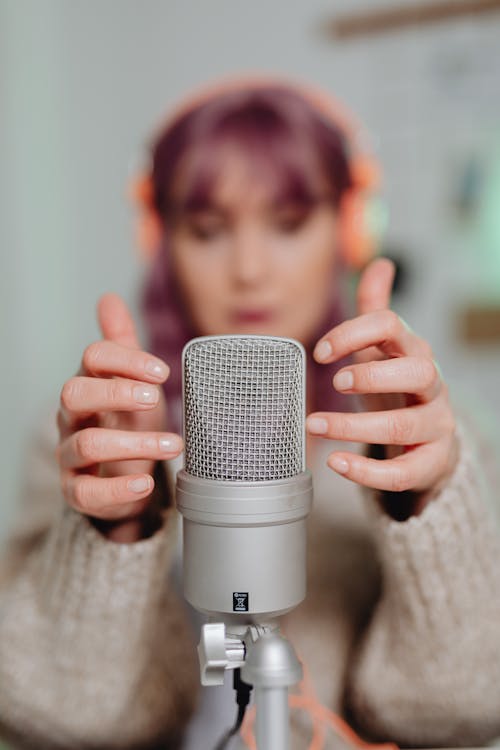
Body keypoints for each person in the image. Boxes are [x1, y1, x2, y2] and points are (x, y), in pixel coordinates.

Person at [0, 72, 499, 750]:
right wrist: (115, 527)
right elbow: (54, 715)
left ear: (349, 228)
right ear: (161, 240)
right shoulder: (91, 437)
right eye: (207, 230)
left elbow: (465, 710)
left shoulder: (431, 434)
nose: (250, 269)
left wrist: (425, 501)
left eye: (289, 225)